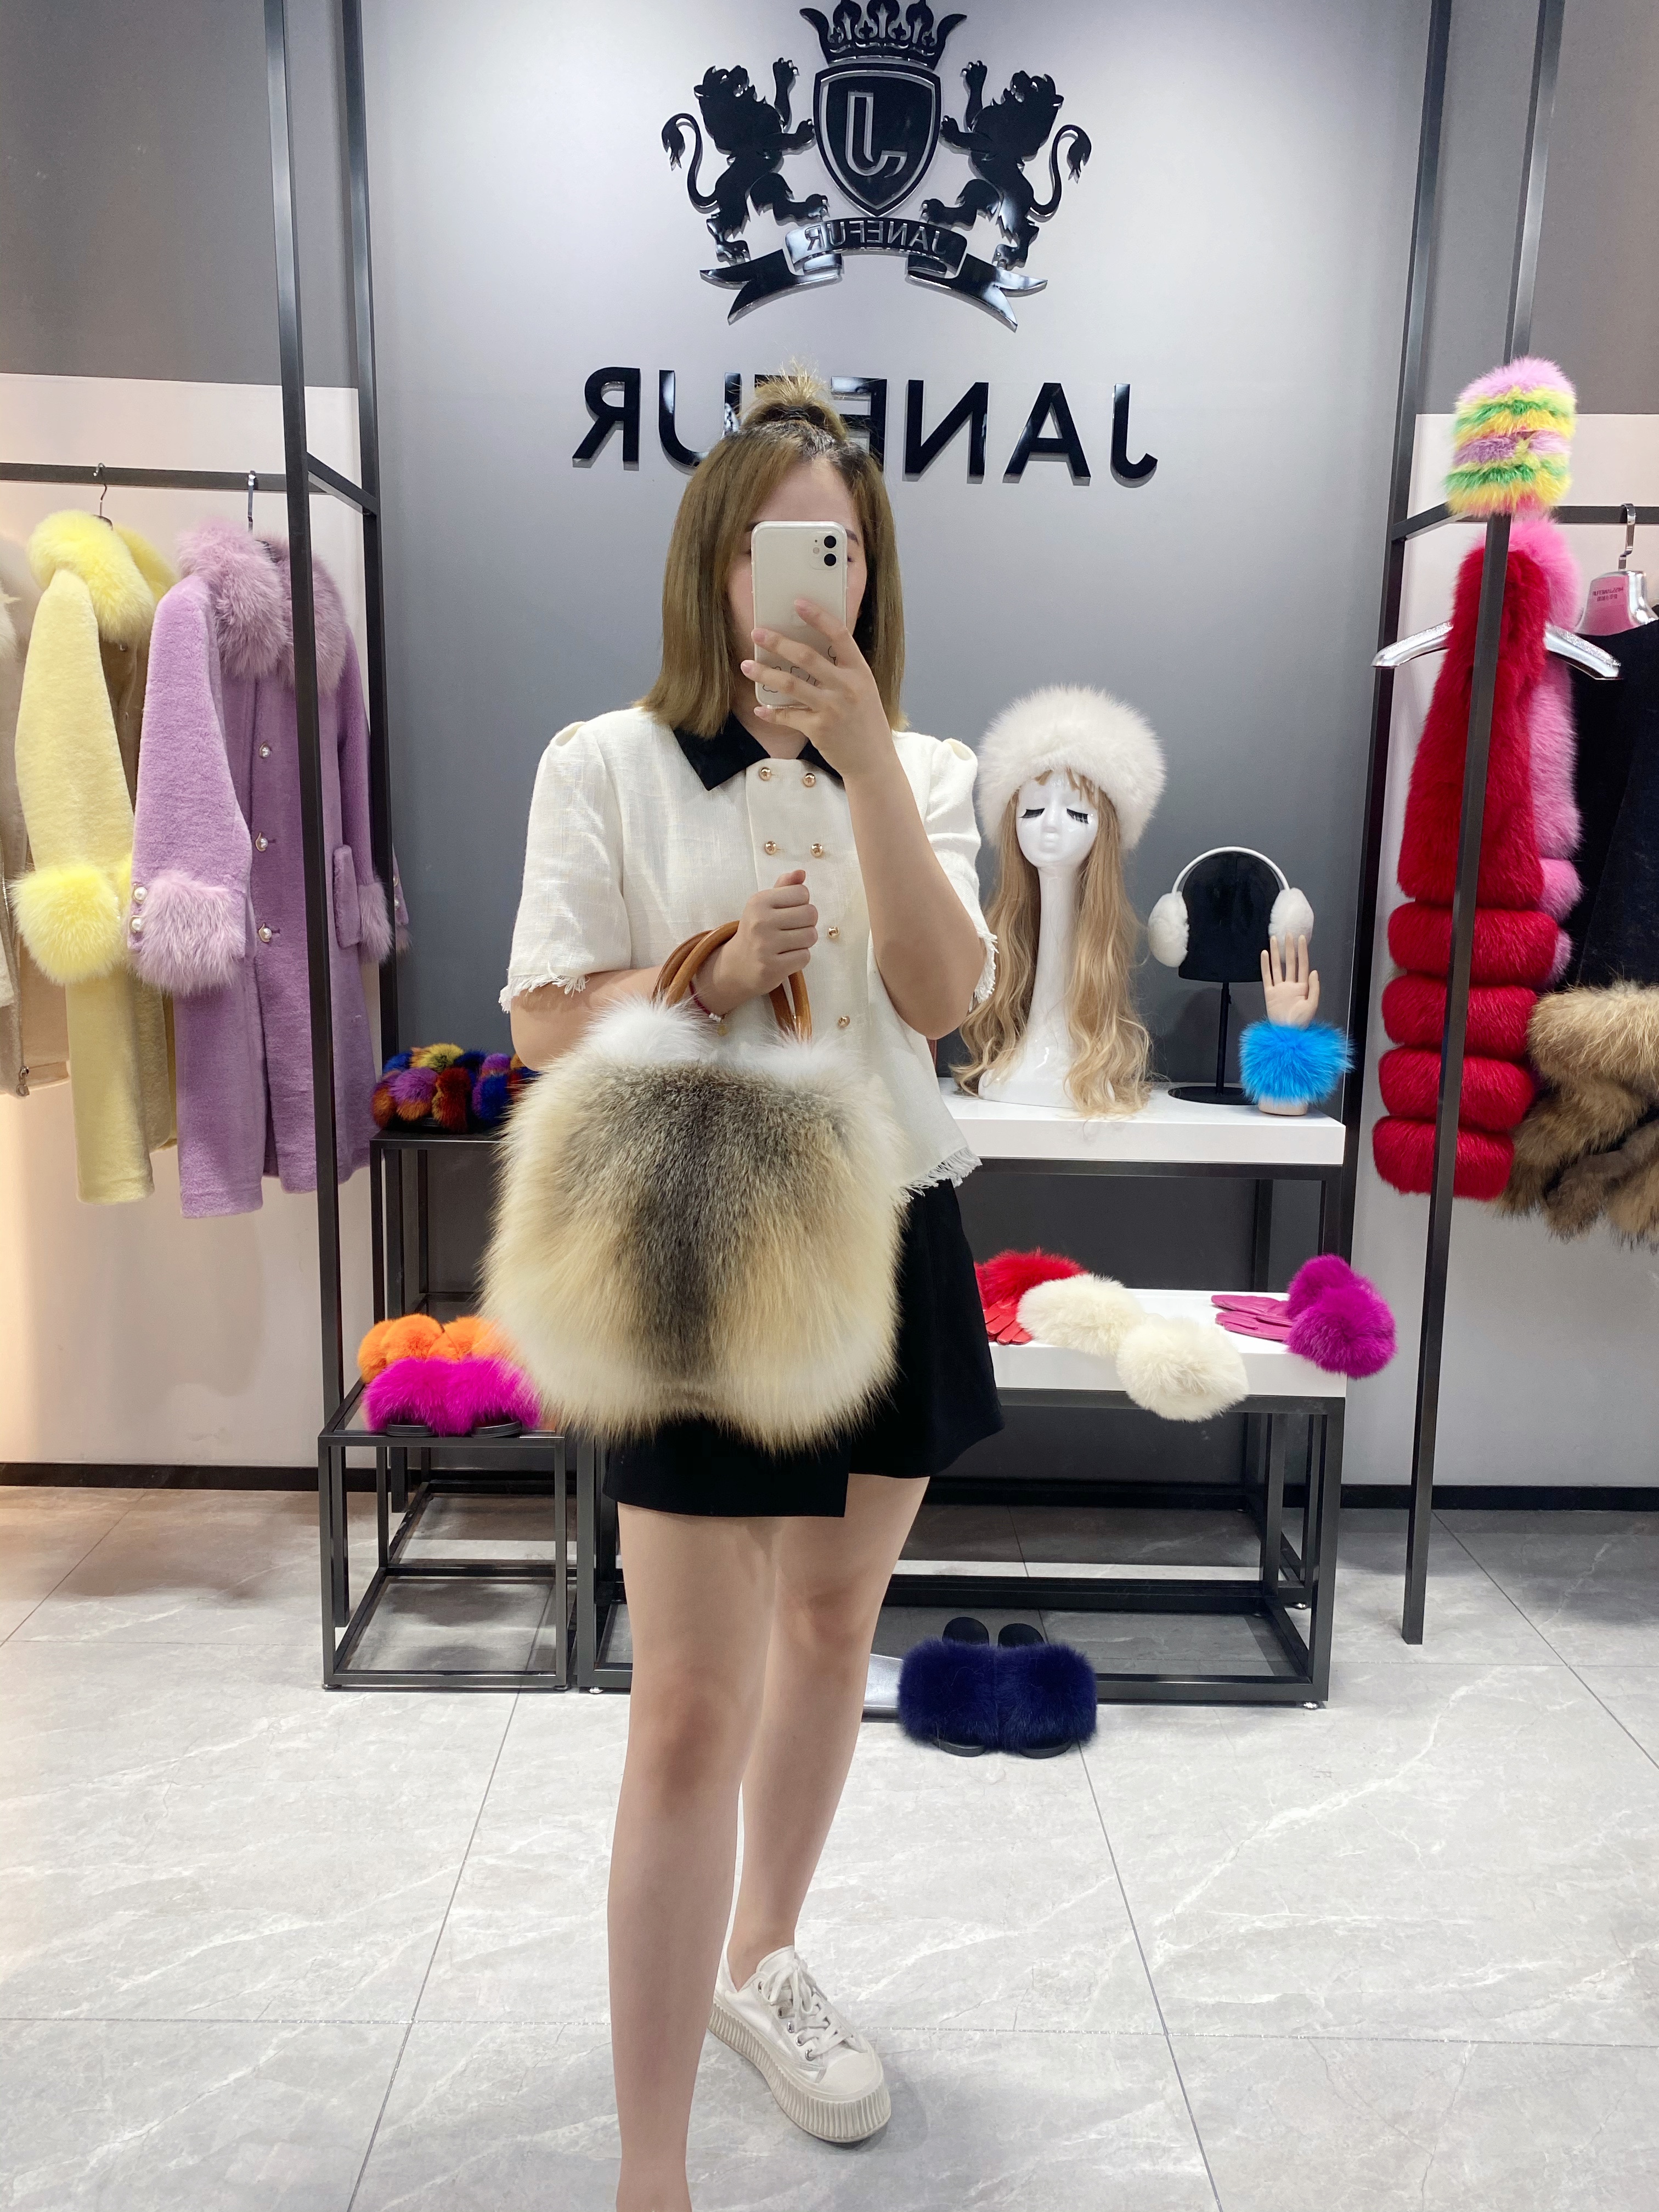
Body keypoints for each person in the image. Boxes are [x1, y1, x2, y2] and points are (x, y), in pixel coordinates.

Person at [504, 371, 1003, 2212]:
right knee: (686, 1705)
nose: (817, 581)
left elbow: (944, 1000)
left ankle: (763, 1958)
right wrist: (698, 976)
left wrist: (869, 764)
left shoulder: (928, 772)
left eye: (847, 553)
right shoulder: (605, 763)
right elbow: (539, 1020)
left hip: (890, 1219)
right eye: (785, 546)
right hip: (699, 1235)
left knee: (833, 1627)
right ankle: (653, 2174)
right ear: (715, 559)